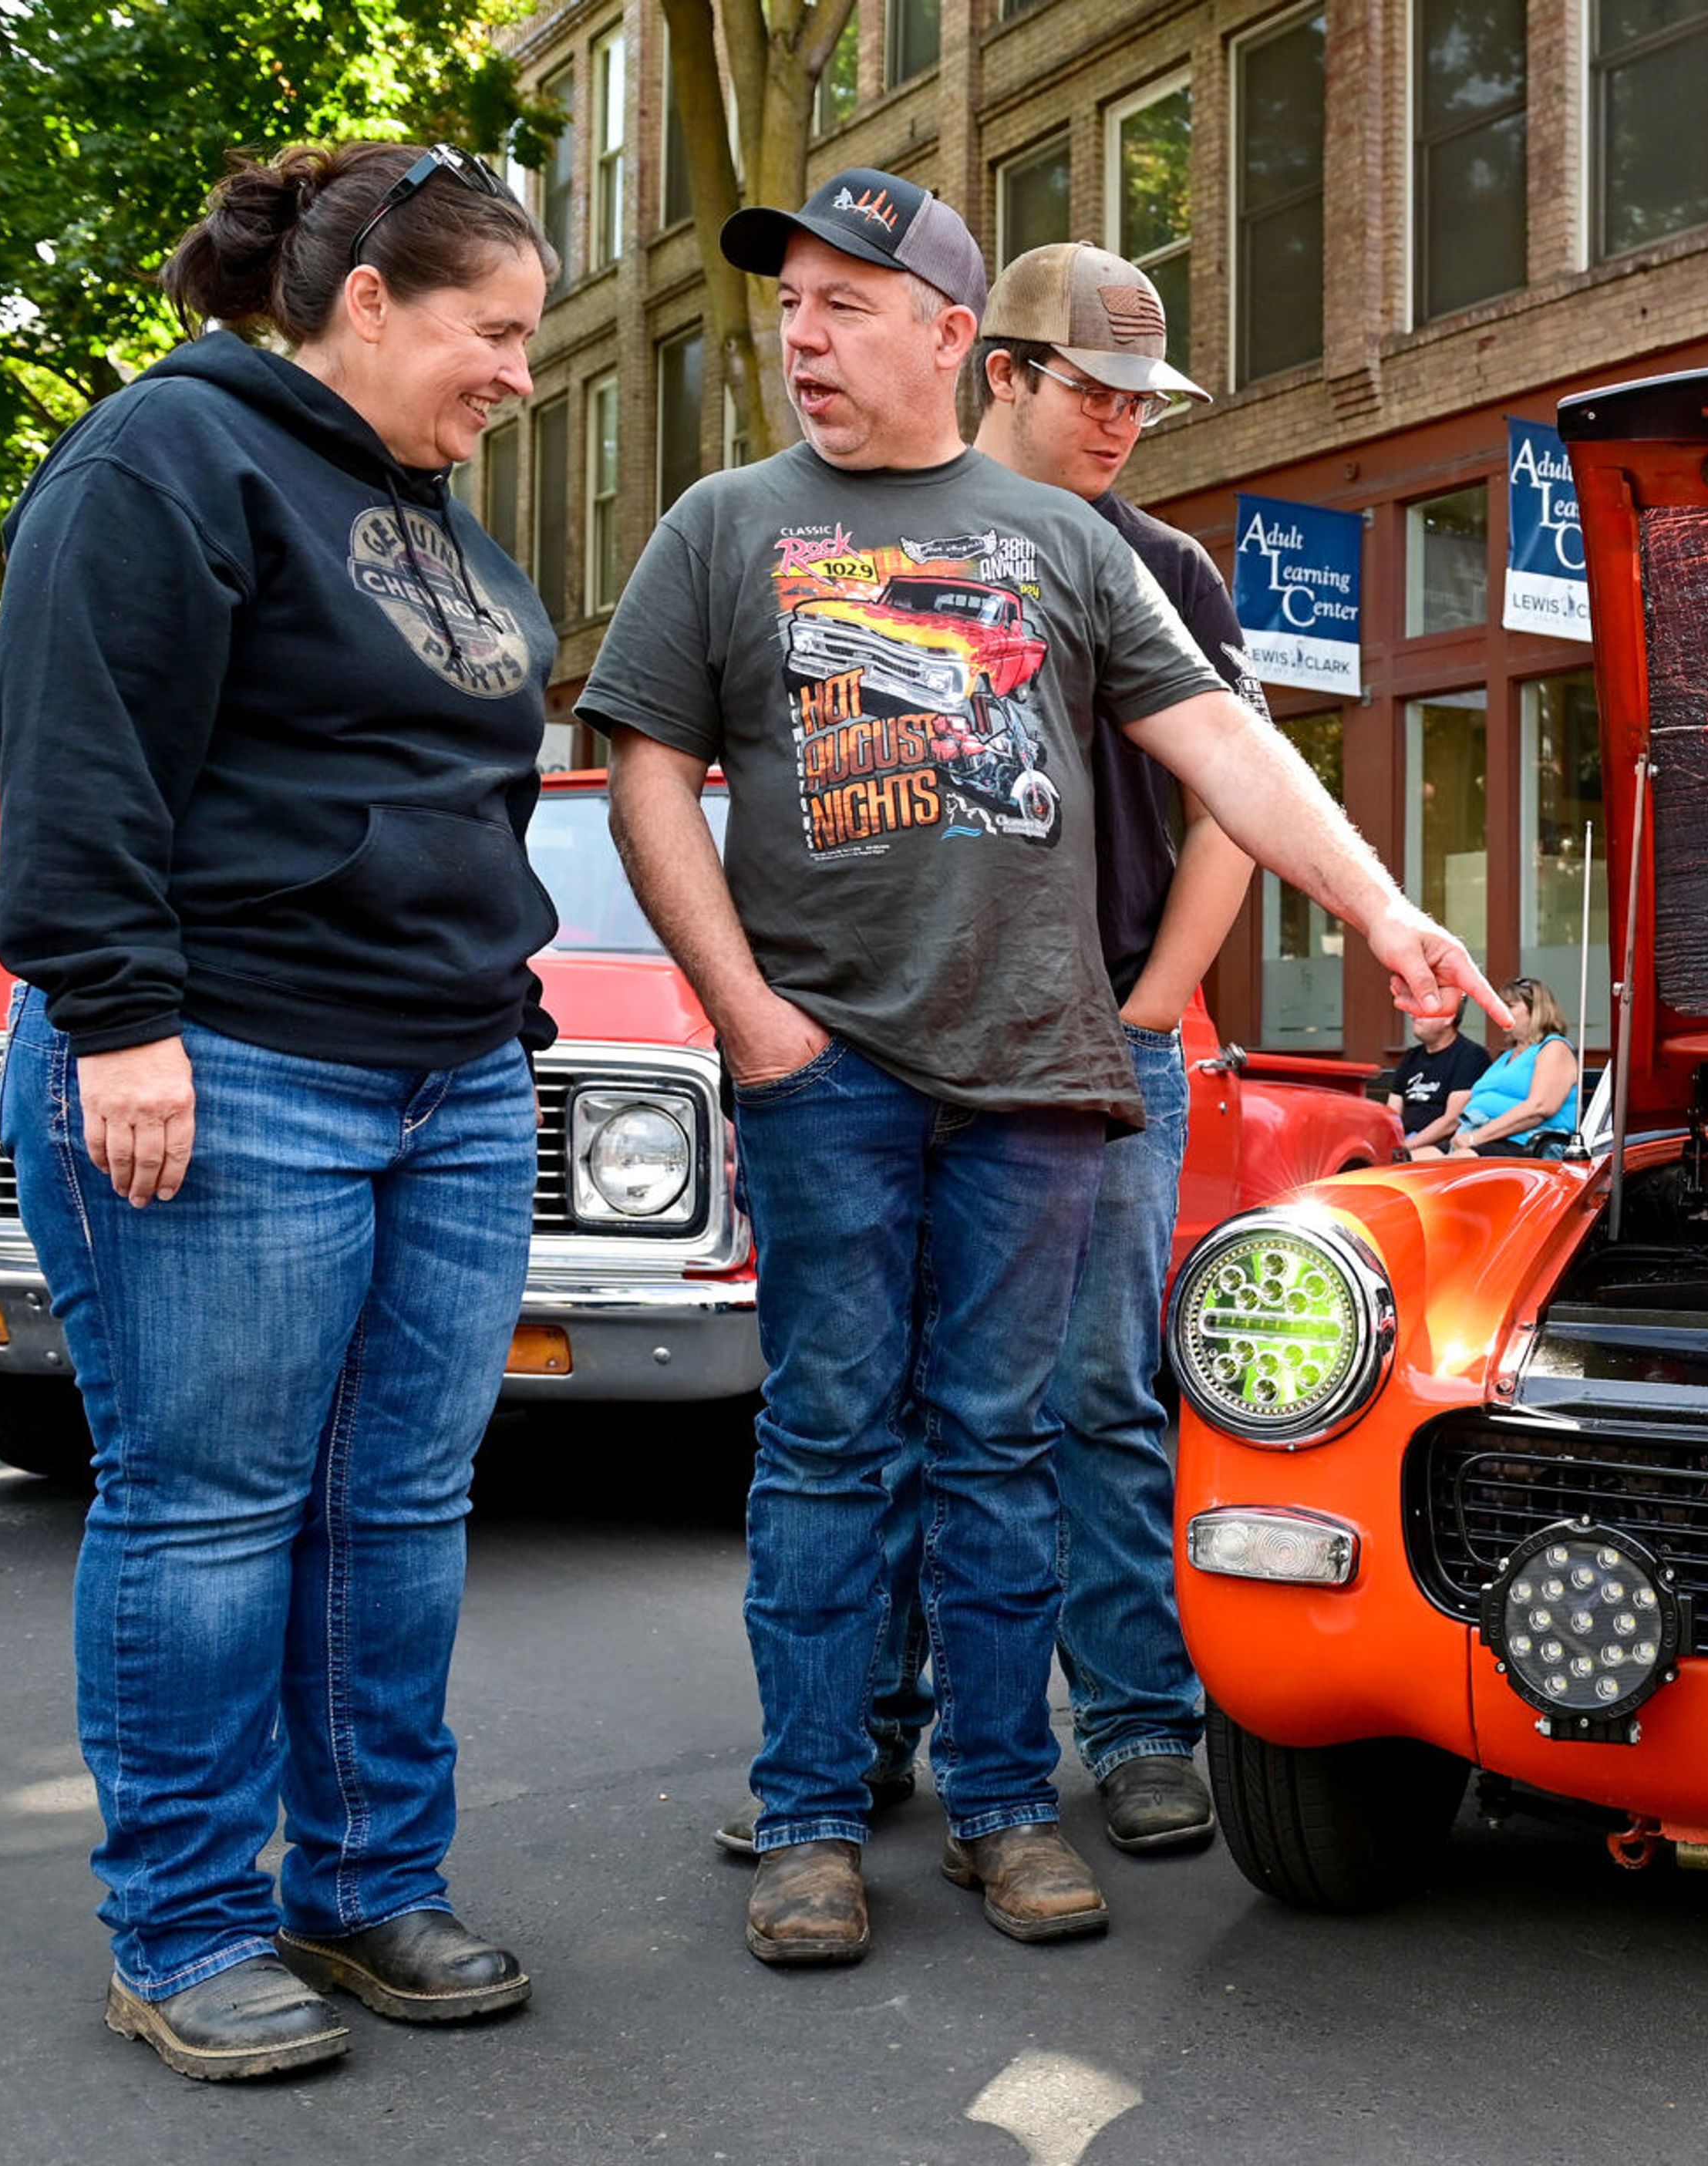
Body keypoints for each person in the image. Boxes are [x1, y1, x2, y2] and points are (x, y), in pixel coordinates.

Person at [584, 168, 1499, 1961]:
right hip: (827, 1069)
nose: (806, 338)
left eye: (847, 305)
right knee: (832, 1441)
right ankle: (810, 1816)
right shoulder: (719, 525)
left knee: (1003, 1446)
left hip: (1039, 1078)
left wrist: (1384, 911)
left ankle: (1008, 1809)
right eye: (791, 309)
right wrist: (747, 1015)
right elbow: (643, 780)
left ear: (947, 332)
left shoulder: (1068, 543)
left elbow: (1222, 747)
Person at [0, 141, 558, 2082]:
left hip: (450, 1076)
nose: (519, 375)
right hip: (226, 1063)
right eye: (493, 332)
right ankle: (188, 1921)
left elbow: (456, 798)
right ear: (368, 301)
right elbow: (76, 762)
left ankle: (366, 1881)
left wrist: (507, 998)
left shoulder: (436, 519)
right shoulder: (166, 459)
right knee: (212, 1509)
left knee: (395, 1507)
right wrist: (123, 1020)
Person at [707, 239, 1261, 1863]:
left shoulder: (1162, 562)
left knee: (1088, 1396)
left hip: (1086, 1049)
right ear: (996, 368)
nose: (1124, 426)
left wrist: (1147, 1007)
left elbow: (1238, 788)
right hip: (884, 1052)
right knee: (861, 1408)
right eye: (1095, 390)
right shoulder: (830, 535)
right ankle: (861, 1737)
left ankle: (1139, 1727)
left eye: (1145, 402)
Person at [1434, 977, 1582, 1159]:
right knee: (1405, 1164)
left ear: (1536, 1010)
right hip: (1478, 1140)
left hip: (1526, 1144)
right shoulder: (1506, 1057)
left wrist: (1476, 1137)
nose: (1500, 1012)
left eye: (1510, 1006)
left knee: (1439, 1174)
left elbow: (1540, 1107)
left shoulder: (1554, 1048)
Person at [1383, 1002, 1491, 1150]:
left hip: (1439, 1149)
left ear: (1448, 1017)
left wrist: (1403, 1148)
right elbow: (1392, 1114)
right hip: (1402, 1143)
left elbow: (1452, 1121)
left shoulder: (1471, 1056)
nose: (1413, 1015)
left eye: (1423, 1009)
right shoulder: (1411, 1057)